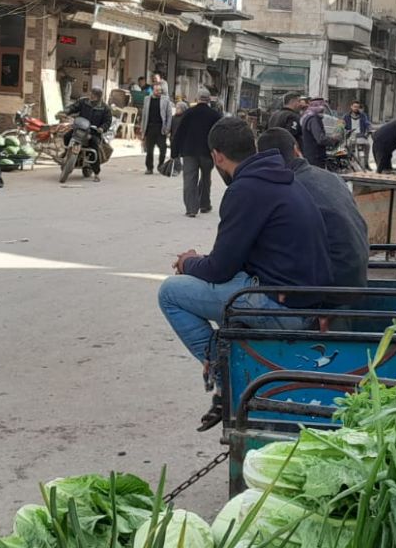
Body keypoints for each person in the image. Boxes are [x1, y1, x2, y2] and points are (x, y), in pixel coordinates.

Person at [158, 119, 333, 428]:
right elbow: (233, 257)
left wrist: (188, 263)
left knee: (171, 292)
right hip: (303, 298)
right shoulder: (281, 179)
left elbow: (219, 268)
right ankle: (229, 361)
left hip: (284, 307)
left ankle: (223, 372)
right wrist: (204, 261)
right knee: (224, 287)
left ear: (217, 157)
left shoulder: (246, 189)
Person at [257, 128, 369, 293]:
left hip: (327, 287)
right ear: (296, 149)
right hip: (356, 277)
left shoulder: (283, 189)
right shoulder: (332, 178)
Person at [172, 90, 222, 217]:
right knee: (206, 178)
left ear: (197, 98)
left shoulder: (188, 113)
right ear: (209, 100)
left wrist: (174, 152)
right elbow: (220, 135)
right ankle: (204, 205)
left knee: (190, 179)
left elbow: (179, 133)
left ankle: (191, 209)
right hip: (208, 152)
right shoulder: (215, 115)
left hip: (189, 151)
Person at [68, 87, 112, 181]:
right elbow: (73, 107)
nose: (91, 97)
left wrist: (101, 128)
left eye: (94, 96)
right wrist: (65, 111)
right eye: (91, 94)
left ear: (99, 97)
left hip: (93, 132)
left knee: (94, 147)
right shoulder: (83, 102)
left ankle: (96, 172)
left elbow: (107, 122)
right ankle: (65, 155)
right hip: (79, 128)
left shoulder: (105, 108)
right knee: (66, 136)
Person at [143, 83, 172, 174]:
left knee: (163, 149)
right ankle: (149, 168)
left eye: (160, 90)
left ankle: (160, 165)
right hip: (150, 127)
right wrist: (142, 129)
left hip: (160, 128)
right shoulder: (147, 99)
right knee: (149, 150)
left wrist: (168, 128)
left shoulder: (166, 100)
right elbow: (144, 114)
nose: (159, 92)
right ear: (153, 90)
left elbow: (169, 115)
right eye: (157, 90)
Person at [299, 98, 337, 168]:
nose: (323, 109)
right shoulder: (313, 119)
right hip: (315, 157)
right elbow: (320, 139)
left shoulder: (307, 116)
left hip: (310, 155)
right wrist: (334, 139)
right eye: (321, 106)